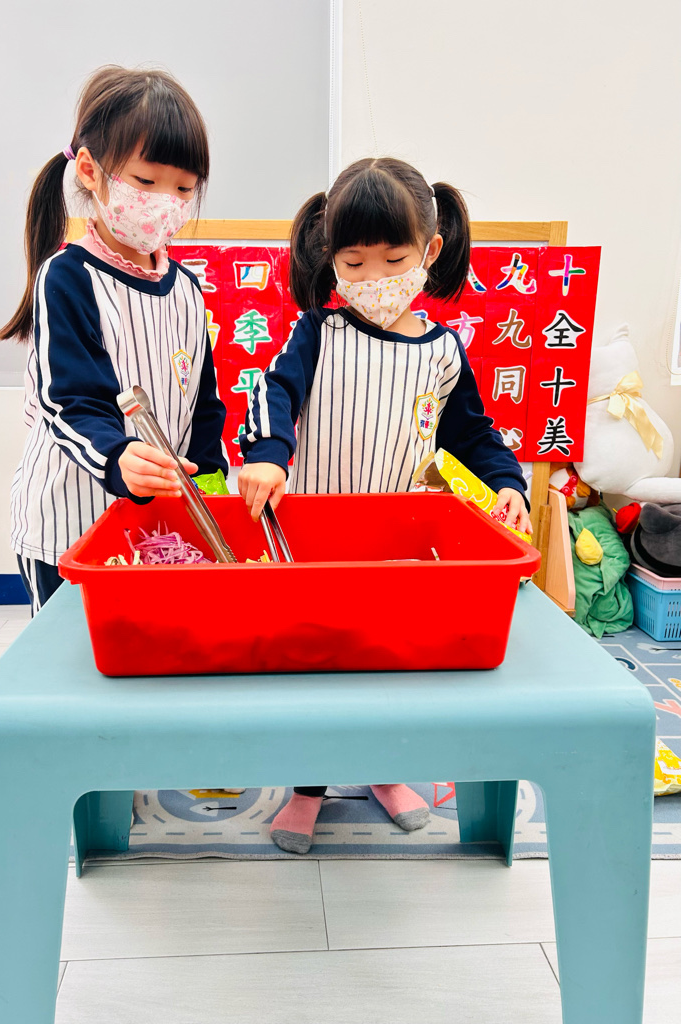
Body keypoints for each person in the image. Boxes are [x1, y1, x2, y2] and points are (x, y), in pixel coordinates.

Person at [238, 157, 531, 854]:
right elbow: (272, 392)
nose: (374, 277)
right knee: (315, 665)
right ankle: (308, 787)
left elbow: (474, 435)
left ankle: (383, 769)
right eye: (354, 262)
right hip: (313, 539)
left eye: (393, 260)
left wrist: (510, 484)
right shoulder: (318, 332)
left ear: (429, 251)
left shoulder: (444, 352)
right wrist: (269, 452)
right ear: (331, 259)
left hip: (399, 545)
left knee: (388, 665)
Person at [0, 66, 228, 613]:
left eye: (183, 189)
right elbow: (70, 401)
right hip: (69, 529)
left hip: (155, 532)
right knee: (76, 656)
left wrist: (213, 484)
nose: (165, 201)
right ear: (89, 172)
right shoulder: (68, 277)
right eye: (146, 182)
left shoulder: (187, 289)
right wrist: (117, 456)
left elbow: (202, 405)